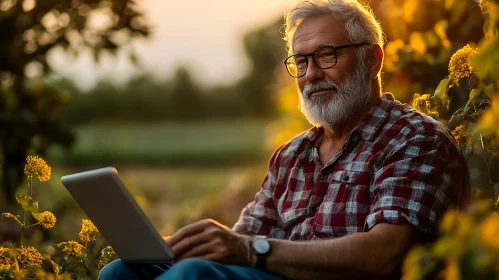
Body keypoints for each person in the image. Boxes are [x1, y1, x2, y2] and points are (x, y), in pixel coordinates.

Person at [98, 0, 470, 279]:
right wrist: (194, 245)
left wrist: (248, 249)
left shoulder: (414, 139)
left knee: (192, 276)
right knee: (121, 272)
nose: (311, 75)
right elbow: (245, 239)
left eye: (326, 55)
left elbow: (387, 254)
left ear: (372, 60)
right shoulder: (292, 155)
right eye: (301, 62)